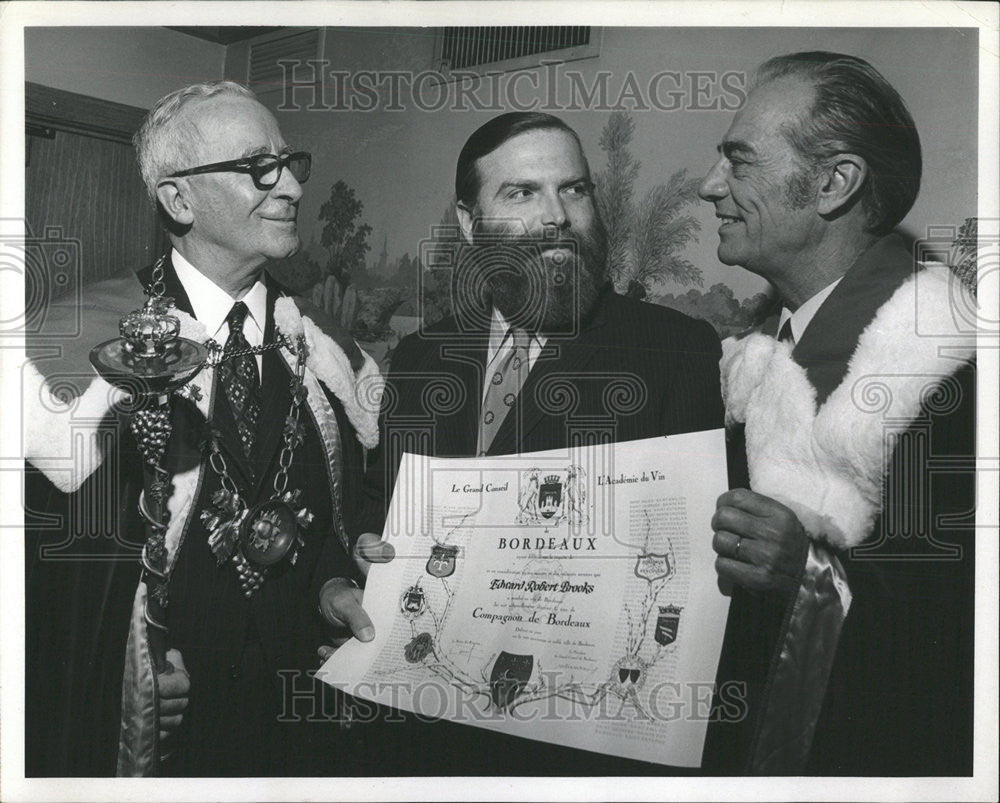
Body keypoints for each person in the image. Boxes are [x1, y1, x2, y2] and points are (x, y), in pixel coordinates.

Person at [318, 111, 726, 774]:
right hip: (415, 740)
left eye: (575, 189)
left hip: (576, 757)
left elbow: (693, 570)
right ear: (470, 222)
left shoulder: (673, 352)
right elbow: (376, 503)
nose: (558, 215)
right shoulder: (423, 358)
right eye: (522, 193)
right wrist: (357, 559)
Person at [23, 81, 381, 776]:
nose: (291, 188)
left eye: (289, 162)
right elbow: (47, 582)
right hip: (162, 740)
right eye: (257, 168)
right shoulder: (72, 354)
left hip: (297, 728)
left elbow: (344, 514)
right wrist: (123, 672)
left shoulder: (328, 352)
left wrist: (335, 589)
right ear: (178, 200)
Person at [696, 52, 976, 775]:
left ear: (833, 183)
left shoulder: (954, 376)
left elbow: (963, 645)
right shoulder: (744, 366)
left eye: (739, 161)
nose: (709, 187)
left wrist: (808, 573)